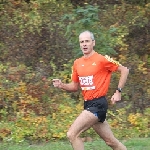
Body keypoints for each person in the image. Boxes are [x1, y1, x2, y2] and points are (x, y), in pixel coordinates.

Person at [52, 30, 129, 150]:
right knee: (111, 142)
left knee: (72, 134)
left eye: (87, 41)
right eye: (81, 42)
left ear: (93, 43)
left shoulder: (102, 59)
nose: (84, 44)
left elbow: (124, 70)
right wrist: (61, 85)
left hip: (98, 104)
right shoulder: (77, 63)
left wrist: (118, 91)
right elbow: (74, 87)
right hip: (88, 104)